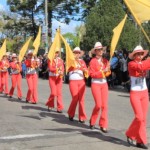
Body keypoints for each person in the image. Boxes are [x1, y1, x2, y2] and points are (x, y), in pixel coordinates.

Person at [126, 45, 150, 149]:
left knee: (143, 119)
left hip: (144, 93)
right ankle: (130, 133)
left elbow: (145, 65)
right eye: (137, 54)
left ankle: (140, 141)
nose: (139, 56)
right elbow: (141, 67)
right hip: (135, 93)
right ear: (134, 55)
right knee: (139, 117)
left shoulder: (144, 63)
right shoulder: (131, 64)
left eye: (141, 54)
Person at [89, 42, 110, 133]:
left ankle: (103, 124)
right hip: (96, 84)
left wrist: (108, 70)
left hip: (104, 84)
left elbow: (108, 73)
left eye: (102, 49)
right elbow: (92, 74)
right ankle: (92, 121)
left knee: (104, 106)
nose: (101, 51)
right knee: (98, 105)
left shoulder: (106, 61)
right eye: (99, 50)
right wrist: (102, 72)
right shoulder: (92, 61)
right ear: (95, 51)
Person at [67, 47, 88, 123]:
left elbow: (86, 70)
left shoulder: (82, 61)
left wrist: (84, 70)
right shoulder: (70, 61)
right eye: (75, 52)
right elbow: (68, 68)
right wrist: (75, 67)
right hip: (73, 81)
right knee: (75, 98)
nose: (77, 54)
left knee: (81, 100)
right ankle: (71, 113)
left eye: (78, 53)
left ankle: (81, 117)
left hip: (81, 81)